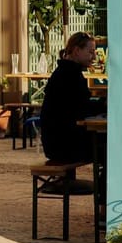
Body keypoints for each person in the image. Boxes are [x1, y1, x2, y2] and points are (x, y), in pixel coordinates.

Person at [38, 31, 105, 163]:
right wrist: (103, 105)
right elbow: (81, 109)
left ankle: (102, 183)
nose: (93, 57)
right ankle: (102, 184)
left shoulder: (67, 71)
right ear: (76, 51)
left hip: (57, 142)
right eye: (90, 52)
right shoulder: (69, 75)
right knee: (111, 146)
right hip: (63, 145)